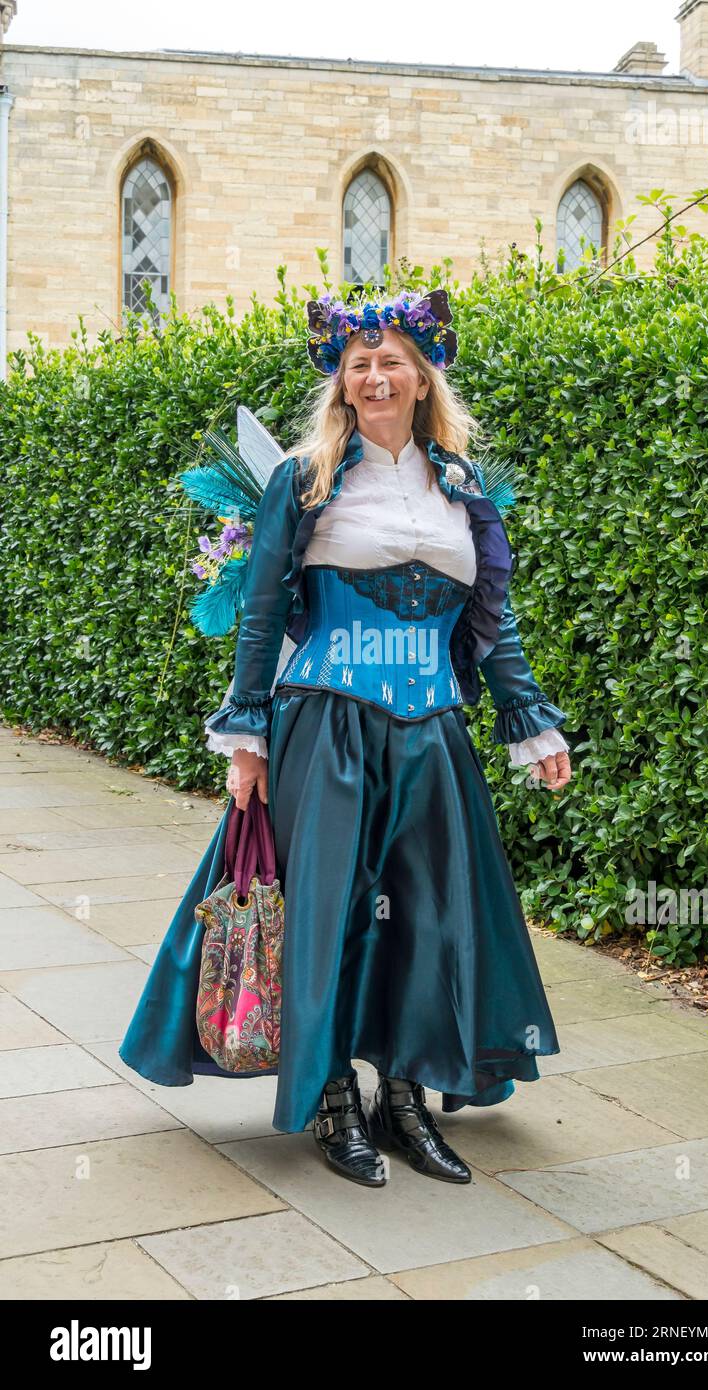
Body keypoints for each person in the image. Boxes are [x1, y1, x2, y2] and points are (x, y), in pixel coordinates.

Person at [120, 288, 572, 1190]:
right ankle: (331, 1098)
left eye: (393, 360)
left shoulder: (462, 486)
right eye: (360, 362)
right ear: (341, 380)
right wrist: (246, 734)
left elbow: (493, 619)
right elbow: (261, 613)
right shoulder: (306, 477)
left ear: (422, 376)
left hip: (434, 731)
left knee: (430, 917)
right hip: (324, 722)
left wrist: (530, 718)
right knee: (327, 913)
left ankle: (402, 1098)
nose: (376, 375)